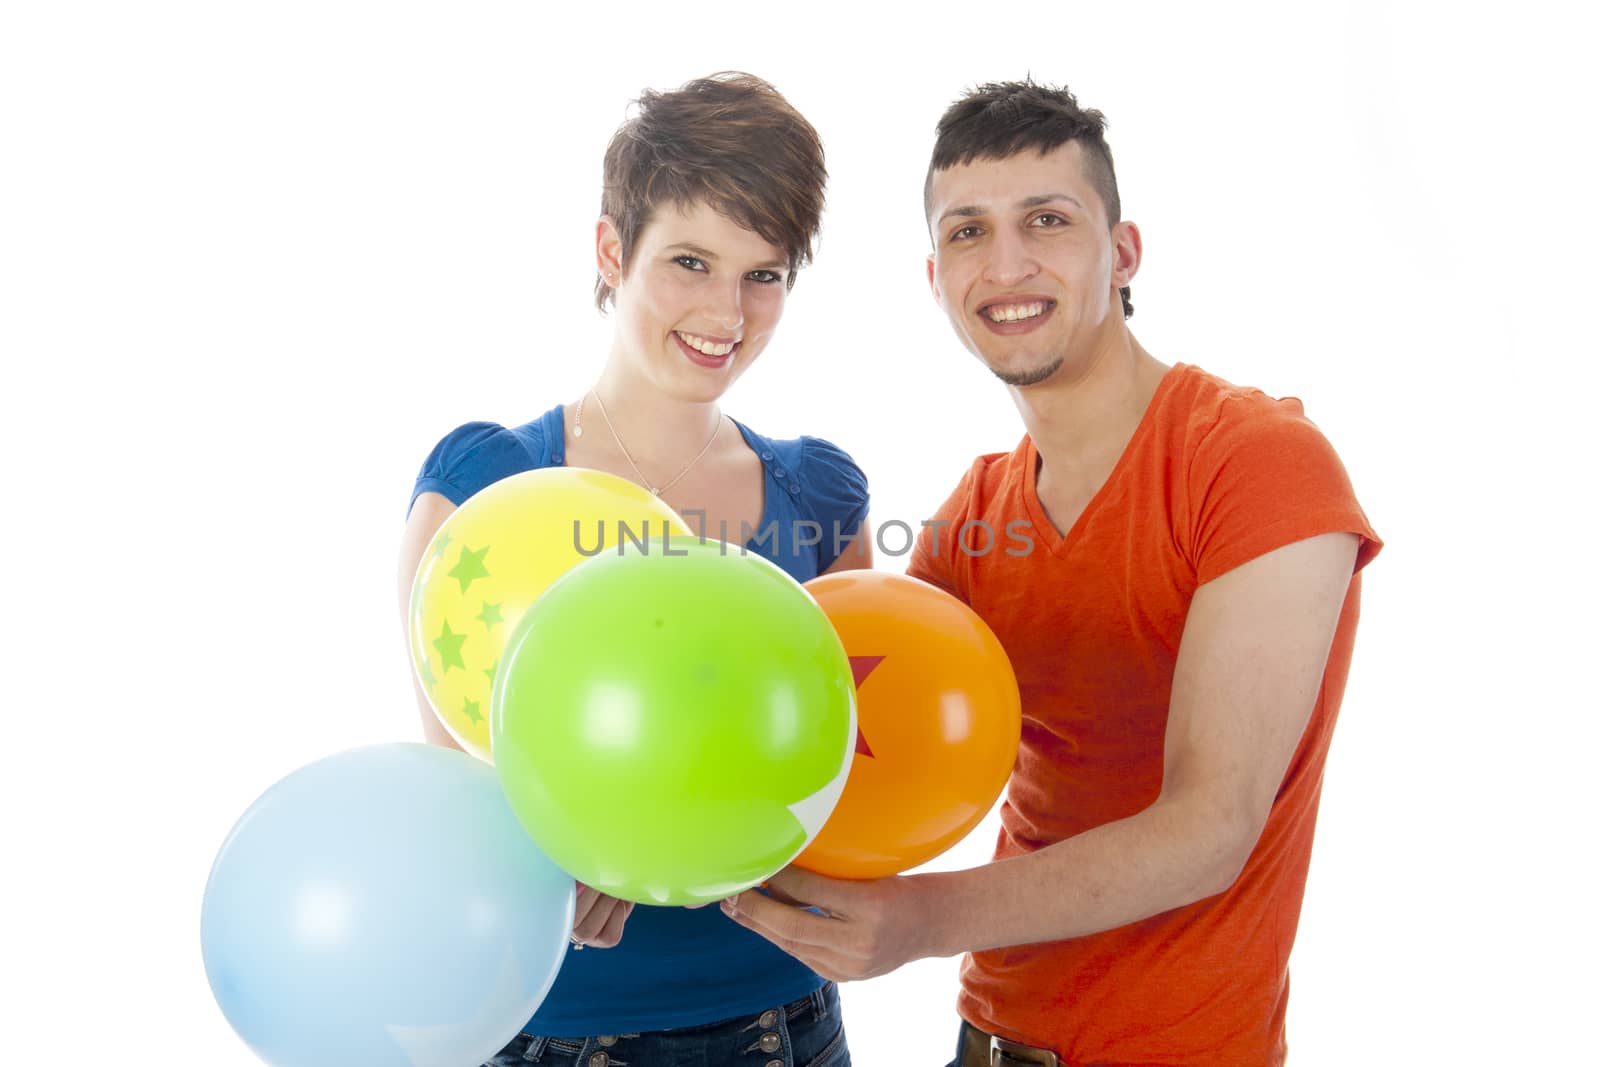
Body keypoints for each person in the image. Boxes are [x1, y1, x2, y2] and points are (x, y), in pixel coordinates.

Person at [720, 79, 1383, 1067]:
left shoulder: (1254, 460)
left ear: (1121, 253)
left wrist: (917, 918)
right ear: (935, 276)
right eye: (968, 232)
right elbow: (836, 726)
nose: (1006, 263)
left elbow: (1212, 826)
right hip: (985, 1038)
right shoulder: (978, 514)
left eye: (1047, 220)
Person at [397, 72, 869, 1067]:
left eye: (763, 273)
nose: (725, 310)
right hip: (555, 1031)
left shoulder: (822, 497)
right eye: (689, 261)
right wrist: (559, 859)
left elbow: (852, 783)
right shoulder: (489, 484)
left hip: (785, 1024)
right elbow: (459, 799)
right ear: (612, 250)